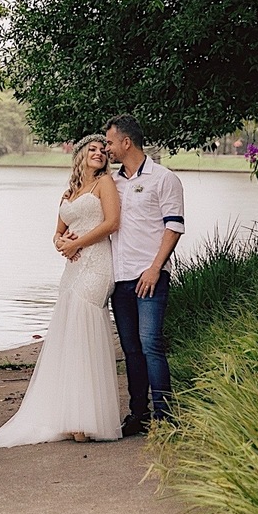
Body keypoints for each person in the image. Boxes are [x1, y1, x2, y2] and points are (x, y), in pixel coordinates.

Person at [0, 135, 123, 447]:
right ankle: (70, 417)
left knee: (86, 333)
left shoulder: (105, 183)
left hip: (97, 265)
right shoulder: (70, 192)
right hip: (73, 268)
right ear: (80, 155)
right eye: (92, 149)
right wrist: (61, 243)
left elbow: (112, 223)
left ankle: (88, 420)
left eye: (103, 150)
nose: (99, 153)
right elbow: (57, 233)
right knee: (71, 338)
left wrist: (77, 243)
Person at [103, 114, 184, 436]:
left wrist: (155, 269)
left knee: (151, 344)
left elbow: (174, 227)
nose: (107, 148)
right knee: (131, 349)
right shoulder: (113, 183)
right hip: (120, 278)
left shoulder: (164, 178)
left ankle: (165, 416)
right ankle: (139, 414)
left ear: (126, 142)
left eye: (110, 142)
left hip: (150, 276)